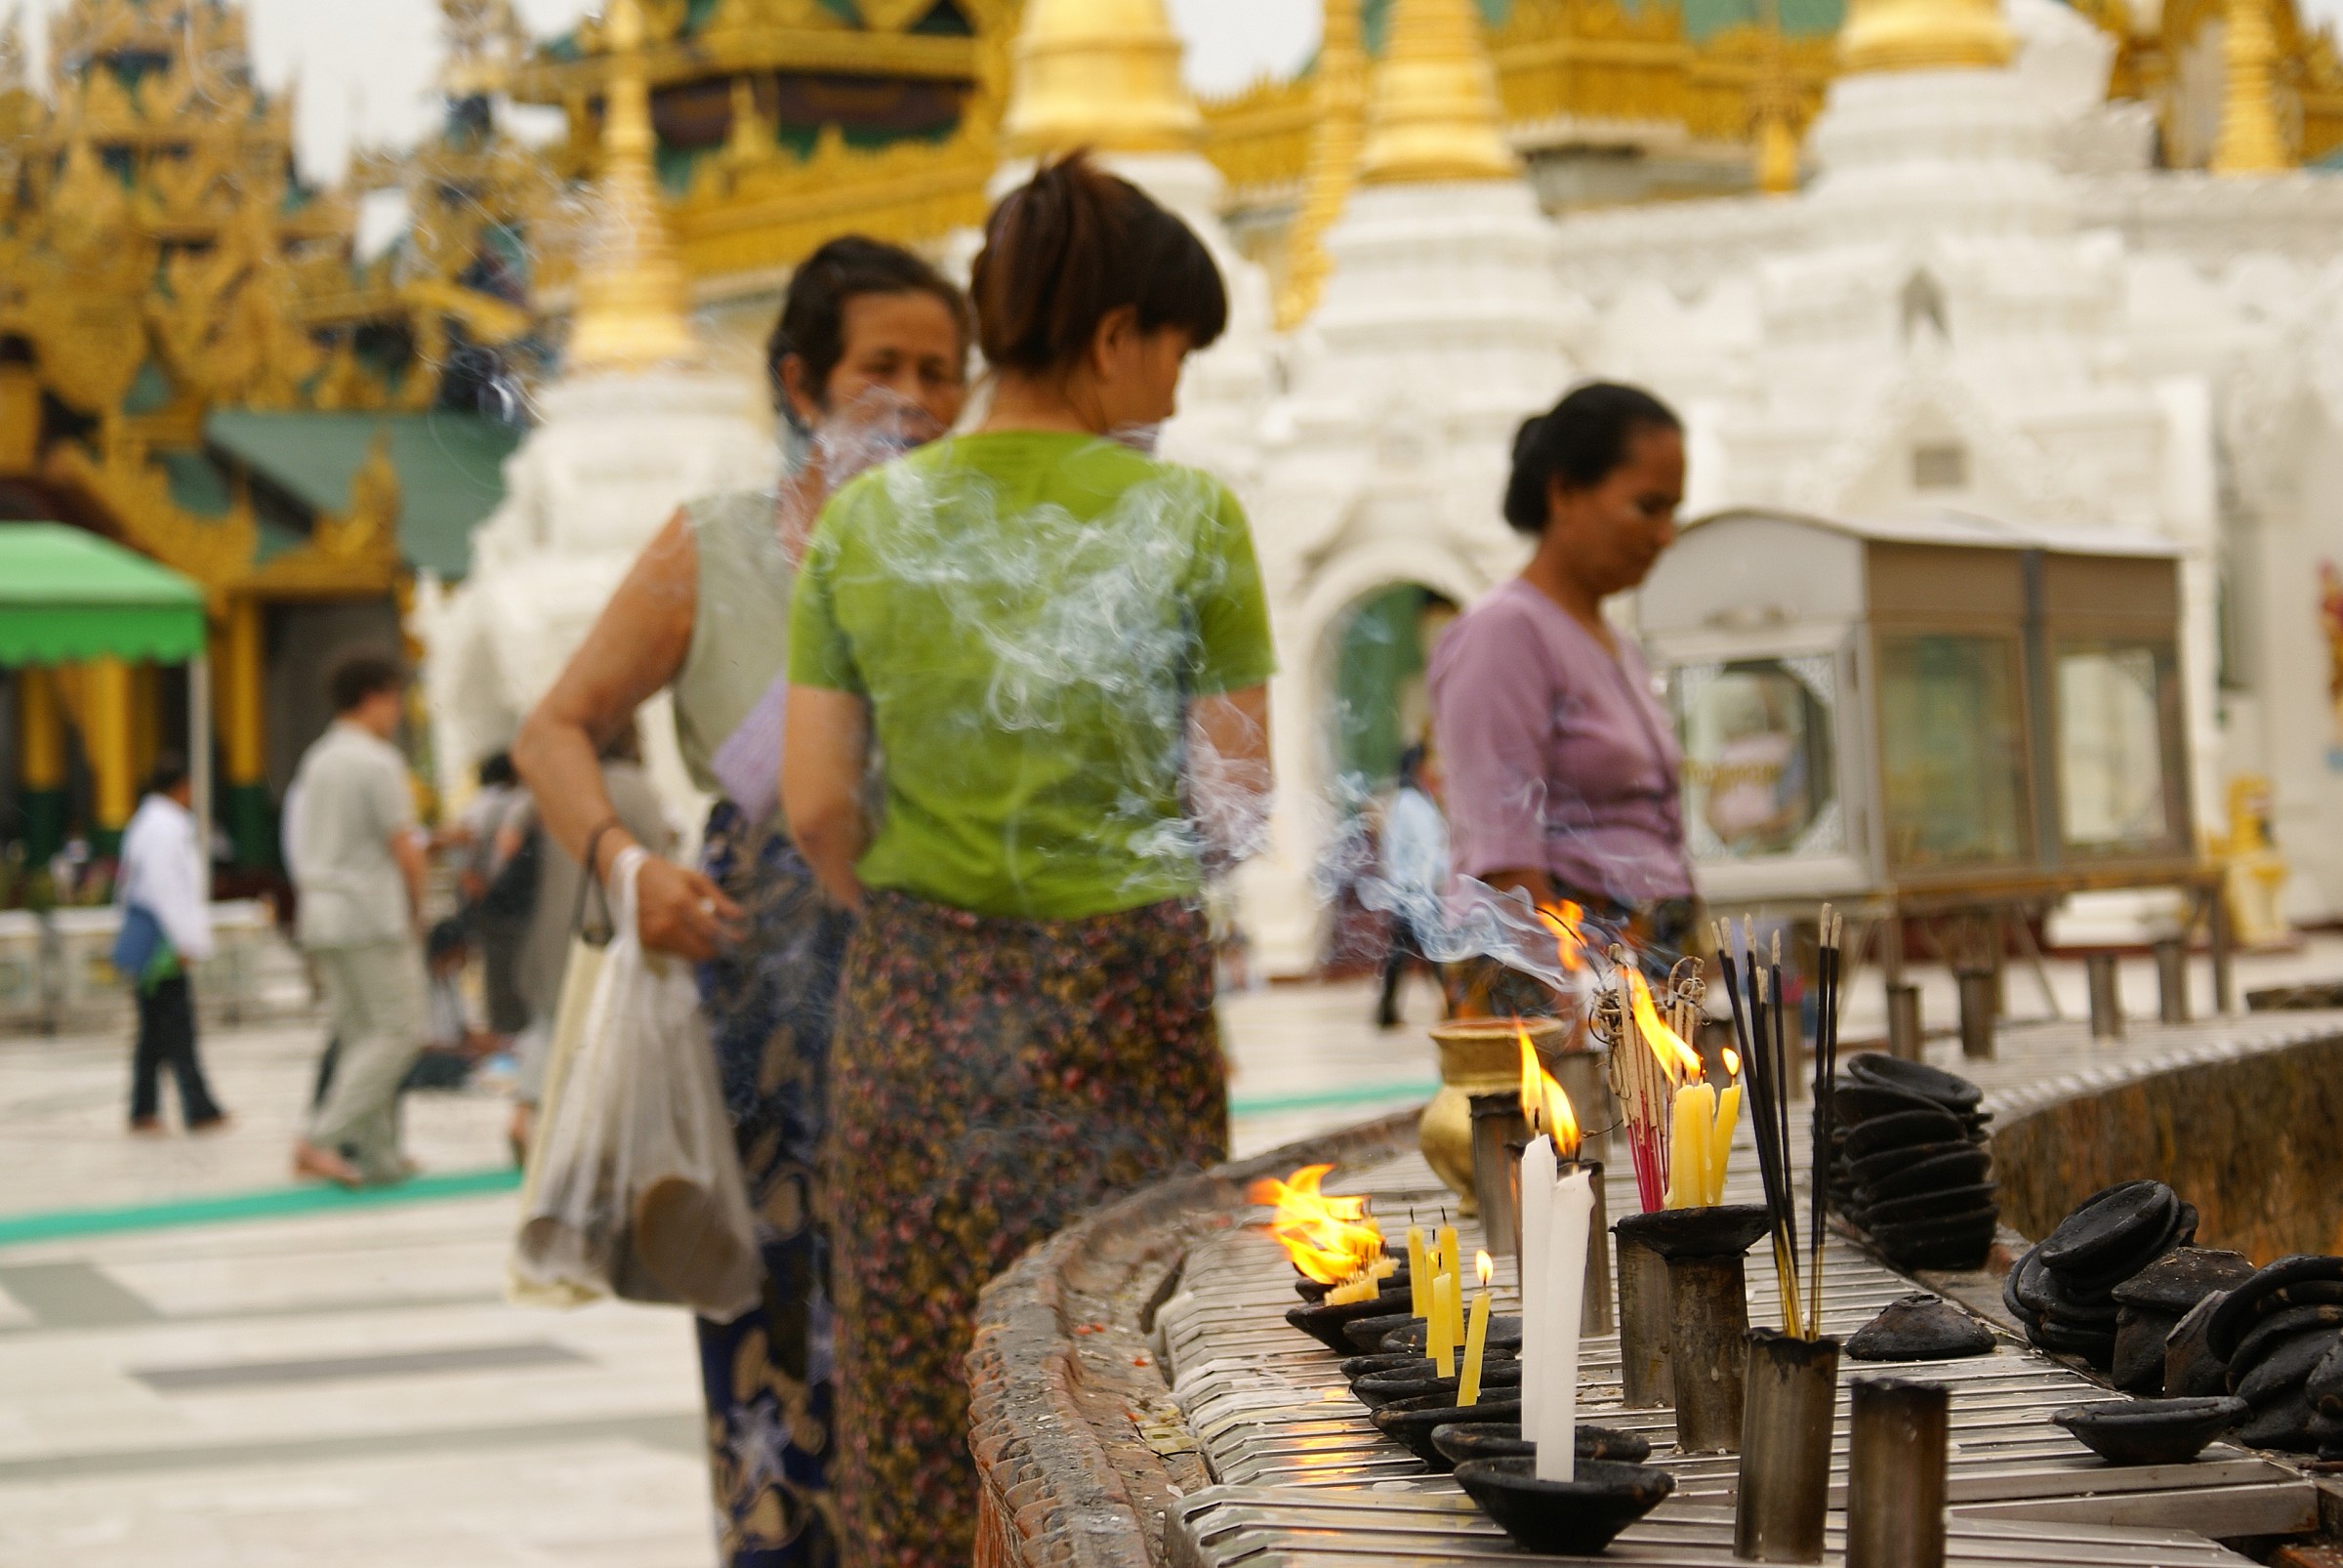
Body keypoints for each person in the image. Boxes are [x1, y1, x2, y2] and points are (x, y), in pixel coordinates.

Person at [782, 154, 1277, 1566]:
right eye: (1176, 350)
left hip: (919, 1010)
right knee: (1128, 1381)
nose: (1176, 392)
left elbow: (817, 800)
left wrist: (912, 913)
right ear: (1117, 334)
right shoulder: (1190, 519)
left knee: (927, 1390)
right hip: (1130, 1000)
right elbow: (1236, 806)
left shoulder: (867, 520)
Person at [514, 234, 970, 1568]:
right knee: (775, 1359)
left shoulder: (991, 557)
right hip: (768, 1002)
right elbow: (556, 727)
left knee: (945, 1357)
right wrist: (625, 862)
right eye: (881, 366)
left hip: (948, 996)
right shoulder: (717, 546)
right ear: (799, 382)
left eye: (943, 372)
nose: (916, 398)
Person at [1429, 381, 1692, 1012]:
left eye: (1672, 511)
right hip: (1558, 968)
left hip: (1636, 960)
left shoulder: (1617, 644)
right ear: (1565, 492)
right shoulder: (1505, 633)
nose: (1665, 535)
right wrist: (1571, 1000)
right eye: (1646, 507)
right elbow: (1503, 855)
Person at [288, 654, 428, 1188]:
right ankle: (321, 1137)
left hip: (322, 913)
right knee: (397, 1034)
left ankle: (380, 1156)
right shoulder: (376, 762)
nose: (396, 712)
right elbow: (404, 847)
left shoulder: (318, 759)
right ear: (374, 696)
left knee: (358, 1036)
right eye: (394, 699)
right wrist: (417, 910)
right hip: (370, 914)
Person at [506, 722, 672, 1142]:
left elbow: (508, 846)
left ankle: (525, 1114)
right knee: (609, 1025)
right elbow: (659, 853)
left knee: (548, 1021)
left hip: (548, 925)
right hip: (608, 924)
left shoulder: (548, 788)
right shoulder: (634, 788)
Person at [116, 753, 228, 1134]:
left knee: (154, 1029)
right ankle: (199, 1109)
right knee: (178, 1026)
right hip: (162, 944)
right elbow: (165, 890)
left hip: (157, 941)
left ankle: (143, 1109)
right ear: (181, 786)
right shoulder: (162, 828)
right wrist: (184, 940)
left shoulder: (151, 824)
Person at [1374, 744, 1449, 1029]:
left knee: (1414, 952)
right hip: (1413, 892)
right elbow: (1418, 853)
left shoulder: (1421, 802)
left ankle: (1387, 1011)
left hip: (1421, 892)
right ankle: (1452, 1004)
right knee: (1432, 952)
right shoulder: (1408, 804)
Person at [458, 752, 532, 1041]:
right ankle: (510, 1033)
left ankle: (500, 1029)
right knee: (510, 970)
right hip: (503, 895)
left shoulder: (475, 804)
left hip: (483, 897)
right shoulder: (509, 802)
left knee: (494, 970)